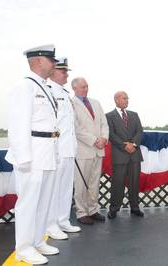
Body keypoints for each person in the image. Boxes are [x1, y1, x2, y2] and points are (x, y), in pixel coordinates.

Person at [5, 44, 60, 264]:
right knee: (28, 203)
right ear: (38, 61)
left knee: (43, 201)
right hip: (32, 155)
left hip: (47, 152)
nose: (54, 64)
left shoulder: (44, 87)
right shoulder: (24, 87)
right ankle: (24, 249)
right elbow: (18, 126)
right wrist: (24, 158)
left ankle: (37, 241)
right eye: (51, 60)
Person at [46, 58, 81, 240]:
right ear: (53, 72)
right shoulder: (48, 91)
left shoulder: (65, 93)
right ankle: (51, 225)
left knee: (66, 188)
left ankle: (63, 220)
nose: (67, 74)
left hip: (68, 149)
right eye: (63, 71)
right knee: (54, 189)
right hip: (56, 150)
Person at [71, 77, 109, 224]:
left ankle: (93, 210)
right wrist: (94, 140)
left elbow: (104, 124)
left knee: (94, 182)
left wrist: (104, 138)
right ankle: (81, 213)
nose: (85, 89)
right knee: (81, 183)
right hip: (83, 150)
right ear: (74, 88)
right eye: (82, 87)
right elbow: (76, 128)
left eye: (86, 86)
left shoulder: (96, 103)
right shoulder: (71, 104)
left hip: (98, 150)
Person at [106, 91, 144, 219]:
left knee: (134, 183)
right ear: (116, 100)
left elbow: (140, 131)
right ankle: (114, 209)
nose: (127, 100)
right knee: (118, 183)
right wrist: (124, 146)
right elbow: (111, 134)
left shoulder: (134, 115)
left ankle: (135, 207)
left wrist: (133, 145)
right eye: (124, 98)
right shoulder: (109, 116)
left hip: (134, 154)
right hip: (119, 155)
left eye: (127, 98)